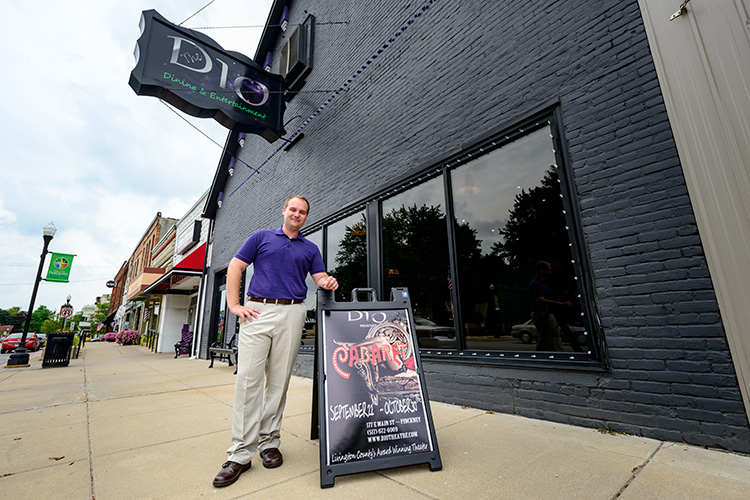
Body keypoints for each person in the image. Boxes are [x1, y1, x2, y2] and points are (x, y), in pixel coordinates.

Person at [213, 195, 338, 488]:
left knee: (279, 381)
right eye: (293, 209)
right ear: (284, 211)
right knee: (248, 380)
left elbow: (319, 277)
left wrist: (327, 281)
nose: (297, 214)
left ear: (306, 217)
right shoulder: (261, 237)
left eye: (302, 212)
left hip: (293, 312)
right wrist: (234, 305)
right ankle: (240, 454)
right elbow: (235, 267)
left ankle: (269, 442)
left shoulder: (310, 248)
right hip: (257, 310)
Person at [528, 261, 571, 352]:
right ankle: (556, 355)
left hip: (545, 313)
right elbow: (540, 300)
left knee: (547, 338)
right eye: (548, 270)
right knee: (552, 337)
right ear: (541, 271)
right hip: (542, 314)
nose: (550, 272)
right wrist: (562, 304)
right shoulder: (536, 284)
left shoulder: (541, 284)